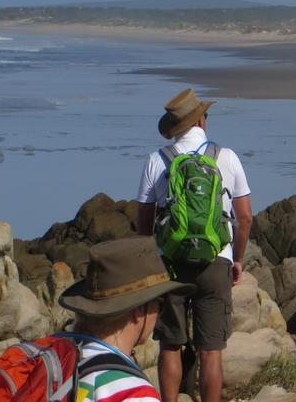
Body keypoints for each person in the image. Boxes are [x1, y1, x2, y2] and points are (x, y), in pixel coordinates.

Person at [136, 88, 253, 402]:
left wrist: (151, 258)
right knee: (211, 350)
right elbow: (244, 218)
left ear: (175, 127)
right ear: (202, 119)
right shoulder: (226, 157)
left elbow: (143, 221)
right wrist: (236, 259)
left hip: (169, 263)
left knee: (170, 345)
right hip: (216, 260)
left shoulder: (156, 161)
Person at [58, 236, 196, 401]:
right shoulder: (133, 393)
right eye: (160, 303)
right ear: (139, 311)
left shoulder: (54, 364)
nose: (159, 313)